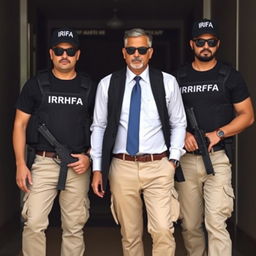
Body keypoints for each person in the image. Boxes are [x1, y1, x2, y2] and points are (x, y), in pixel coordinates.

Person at [90, 28, 186, 256]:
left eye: (141, 50)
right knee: (130, 234)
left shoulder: (167, 82)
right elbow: (99, 126)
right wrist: (97, 169)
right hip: (122, 167)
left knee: (163, 229)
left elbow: (178, 123)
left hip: (158, 166)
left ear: (150, 53)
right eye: (131, 49)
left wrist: (173, 159)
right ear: (124, 52)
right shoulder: (108, 84)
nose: (136, 54)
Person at [175, 18, 255, 256]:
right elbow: (165, 116)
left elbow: (247, 115)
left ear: (217, 44)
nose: (205, 46)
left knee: (216, 222)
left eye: (210, 42)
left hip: (218, 159)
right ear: (192, 44)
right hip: (187, 160)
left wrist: (218, 134)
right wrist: (184, 134)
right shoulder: (178, 78)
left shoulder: (229, 75)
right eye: (200, 42)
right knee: (189, 225)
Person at [13, 28, 95, 256]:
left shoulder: (89, 88)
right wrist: (21, 164)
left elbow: (101, 127)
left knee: (74, 227)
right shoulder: (36, 84)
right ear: (51, 53)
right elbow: (19, 124)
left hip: (77, 165)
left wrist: (89, 157)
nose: (64, 55)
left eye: (70, 51)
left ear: (78, 55)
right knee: (34, 223)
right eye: (59, 50)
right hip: (43, 163)